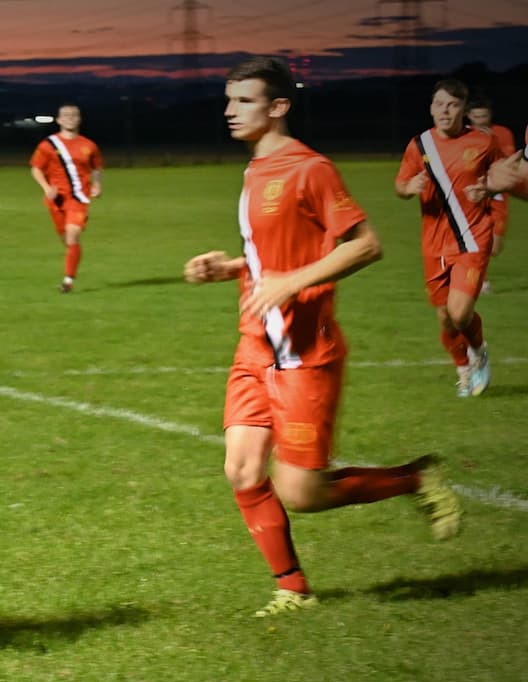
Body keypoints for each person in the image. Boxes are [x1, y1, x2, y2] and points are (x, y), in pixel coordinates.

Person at [183, 56, 462, 617]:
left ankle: (414, 478)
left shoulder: (310, 169)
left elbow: (365, 244)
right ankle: (292, 589)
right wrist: (232, 267)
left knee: (302, 494)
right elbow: (275, 255)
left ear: (278, 107)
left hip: (304, 354)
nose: (229, 111)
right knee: (240, 469)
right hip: (254, 344)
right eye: (229, 100)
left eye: (244, 101)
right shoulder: (254, 171)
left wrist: (291, 283)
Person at [395, 79, 501, 398]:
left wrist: (490, 189)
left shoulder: (483, 142)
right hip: (434, 244)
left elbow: (500, 177)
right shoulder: (419, 145)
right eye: (439, 104)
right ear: (431, 108)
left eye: (452, 105)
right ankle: (463, 369)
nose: (445, 110)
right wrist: (408, 188)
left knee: (459, 312)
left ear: (462, 110)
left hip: (472, 238)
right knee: (445, 318)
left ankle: (479, 350)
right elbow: (399, 185)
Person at [30, 104, 103, 293]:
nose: (70, 118)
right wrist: (46, 188)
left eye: (74, 115)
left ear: (79, 119)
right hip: (56, 200)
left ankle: (68, 280)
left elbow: (96, 168)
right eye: (66, 115)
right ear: (59, 120)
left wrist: (97, 184)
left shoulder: (89, 145)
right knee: (67, 241)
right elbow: (36, 168)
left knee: (72, 236)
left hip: (78, 198)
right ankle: (71, 265)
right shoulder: (48, 145)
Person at [465, 96, 516, 290]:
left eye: (484, 116)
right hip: (472, 193)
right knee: (475, 238)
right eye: (476, 116)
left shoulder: (502, 133)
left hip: (497, 193)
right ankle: (479, 280)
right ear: (468, 116)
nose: (480, 120)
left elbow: (508, 161)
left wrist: (491, 141)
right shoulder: (462, 135)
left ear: (490, 115)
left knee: (494, 247)